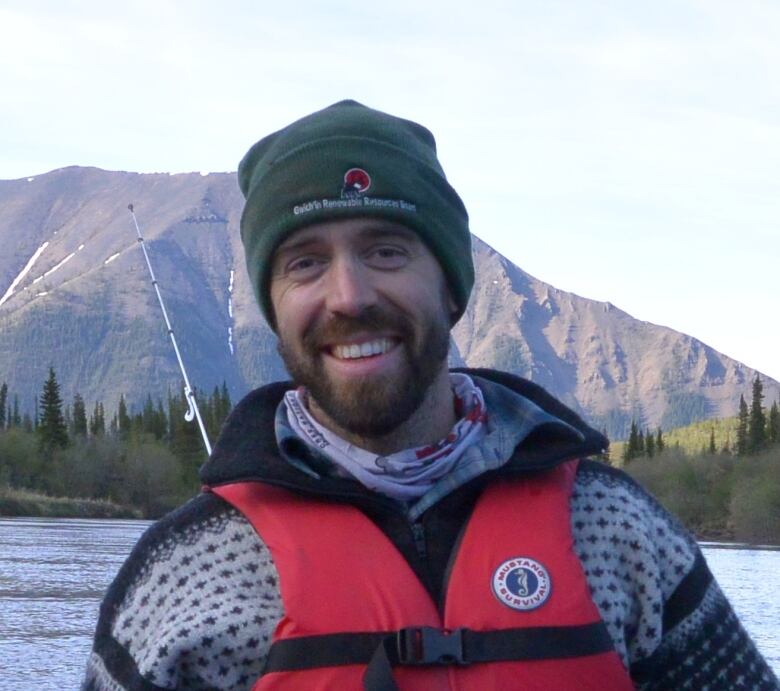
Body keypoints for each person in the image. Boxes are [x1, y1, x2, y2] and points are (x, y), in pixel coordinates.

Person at [83, 100, 778, 690]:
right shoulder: (184, 572)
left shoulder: (616, 529)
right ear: (273, 304)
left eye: (386, 251)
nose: (349, 295)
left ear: (450, 286)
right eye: (306, 263)